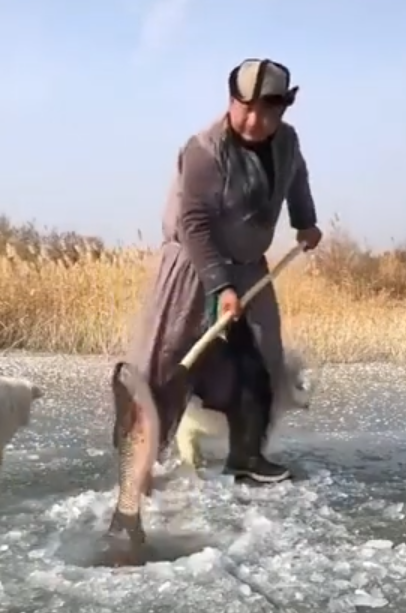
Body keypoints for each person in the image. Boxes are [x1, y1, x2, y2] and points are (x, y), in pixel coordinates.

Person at [126, 57, 323, 484]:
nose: (253, 120)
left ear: (283, 108)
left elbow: (296, 178)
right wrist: (220, 285)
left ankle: (247, 456)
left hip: (250, 265)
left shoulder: (287, 142)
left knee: (264, 353)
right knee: (165, 362)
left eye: (267, 111)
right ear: (231, 100)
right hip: (193, 263)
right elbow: (193, 224)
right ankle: (140, 465)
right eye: (244, 107)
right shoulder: (204, 150)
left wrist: (305, 222)